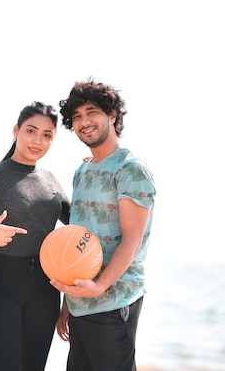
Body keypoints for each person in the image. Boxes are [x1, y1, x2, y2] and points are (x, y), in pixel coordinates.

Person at [0, 101, 71, 371]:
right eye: (31, 131)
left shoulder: (51, 180)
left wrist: (95, 171)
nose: (37, 140)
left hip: (44, 288)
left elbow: (79, 225)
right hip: (1, 285)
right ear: (16, 130)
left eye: (47, 135)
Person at [52, 78, 157, 371]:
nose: (84, 121)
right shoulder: (81, 172)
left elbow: (132, 240)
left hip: (114, 303)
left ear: (112, 115)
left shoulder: (130, 169)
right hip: (80, 304)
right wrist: (68, 303)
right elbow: (76, 242)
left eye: (92, 112)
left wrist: (98, 285)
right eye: (77, 117)